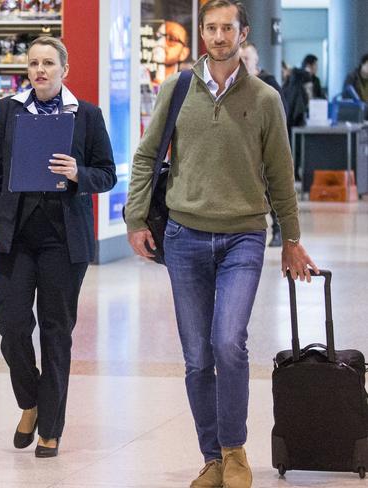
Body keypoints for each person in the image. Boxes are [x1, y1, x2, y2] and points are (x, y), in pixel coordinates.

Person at [126, 2, 318, 487]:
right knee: (196, 356)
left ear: (242, 33)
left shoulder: (266, 99)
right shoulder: (177, 89)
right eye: (210, 28)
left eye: (226, 28)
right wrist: (134, 219)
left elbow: (280, 175)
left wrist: (291, 237)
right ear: (202, 34)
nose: (217, 36)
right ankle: (211, 458)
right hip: (184, 237)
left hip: (243, 238)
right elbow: (147, 156)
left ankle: (235, 451)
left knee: (228, 342)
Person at [0, 36, 116, 458]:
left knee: (57, 333)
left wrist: (79, 173)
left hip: (63, 241)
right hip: (14, 237)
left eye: (48, 63)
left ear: (63, 69)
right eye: (33, 63)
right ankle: (30, 402)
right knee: (13, 324)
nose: (40, 70)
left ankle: (51, 427)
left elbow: (106, 174)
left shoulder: (86, 115)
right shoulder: (9, 111)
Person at [240, 41, 287, 247]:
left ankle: (278, 229)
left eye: (247, 59)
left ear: (256, 60)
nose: (243, 62)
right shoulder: (235, 85)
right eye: (241, 59)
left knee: (272, 188)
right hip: (242, 148)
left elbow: (279, 115)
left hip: (264, 146)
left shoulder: (268, 83)